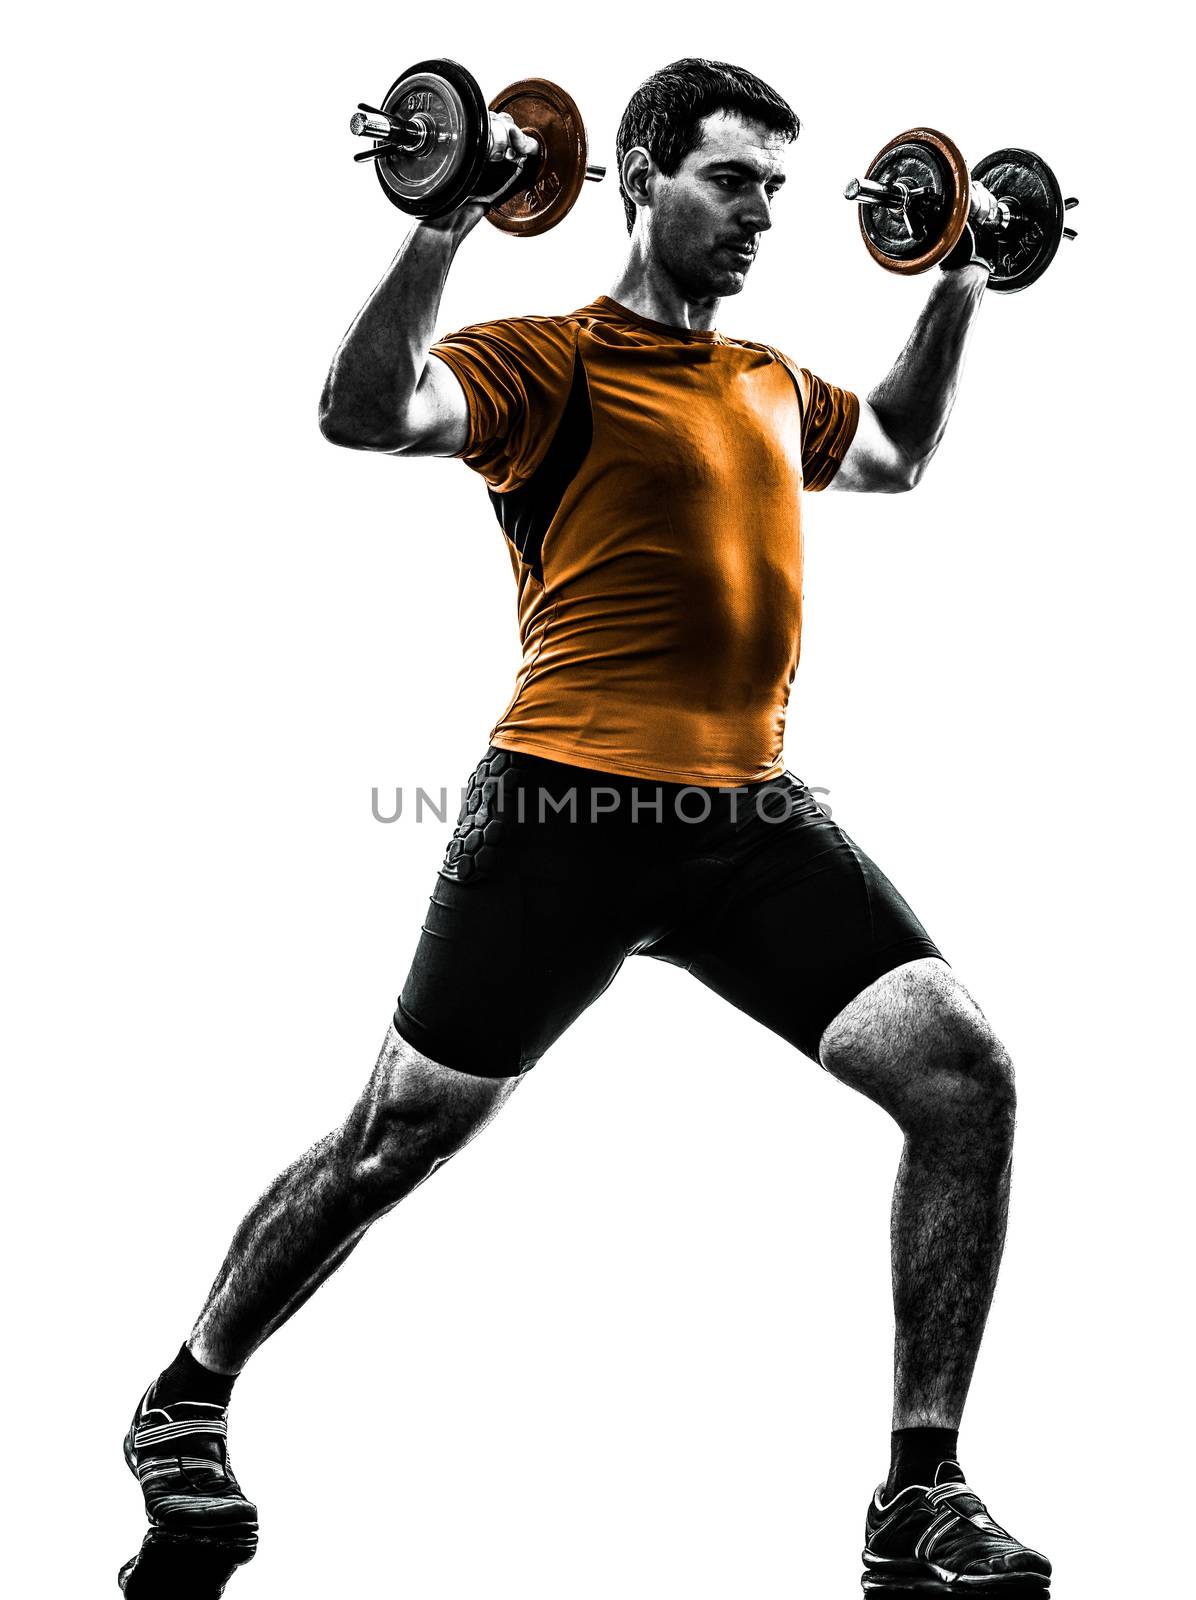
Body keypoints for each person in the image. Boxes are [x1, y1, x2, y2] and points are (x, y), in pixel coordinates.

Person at [122, 58, 1052, 1597]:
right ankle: (187, 1397)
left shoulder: (767, 379)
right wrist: (450, 214)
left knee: (966, 1077)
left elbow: (891, 450)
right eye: (729, 179)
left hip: (748, 821)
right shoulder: (547, 362)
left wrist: (962, 269)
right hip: (562, 810)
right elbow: (364, 412)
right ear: (637, 175)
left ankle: (919, 1490)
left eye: (774, 187)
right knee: (389, 1144)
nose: (761, 214)